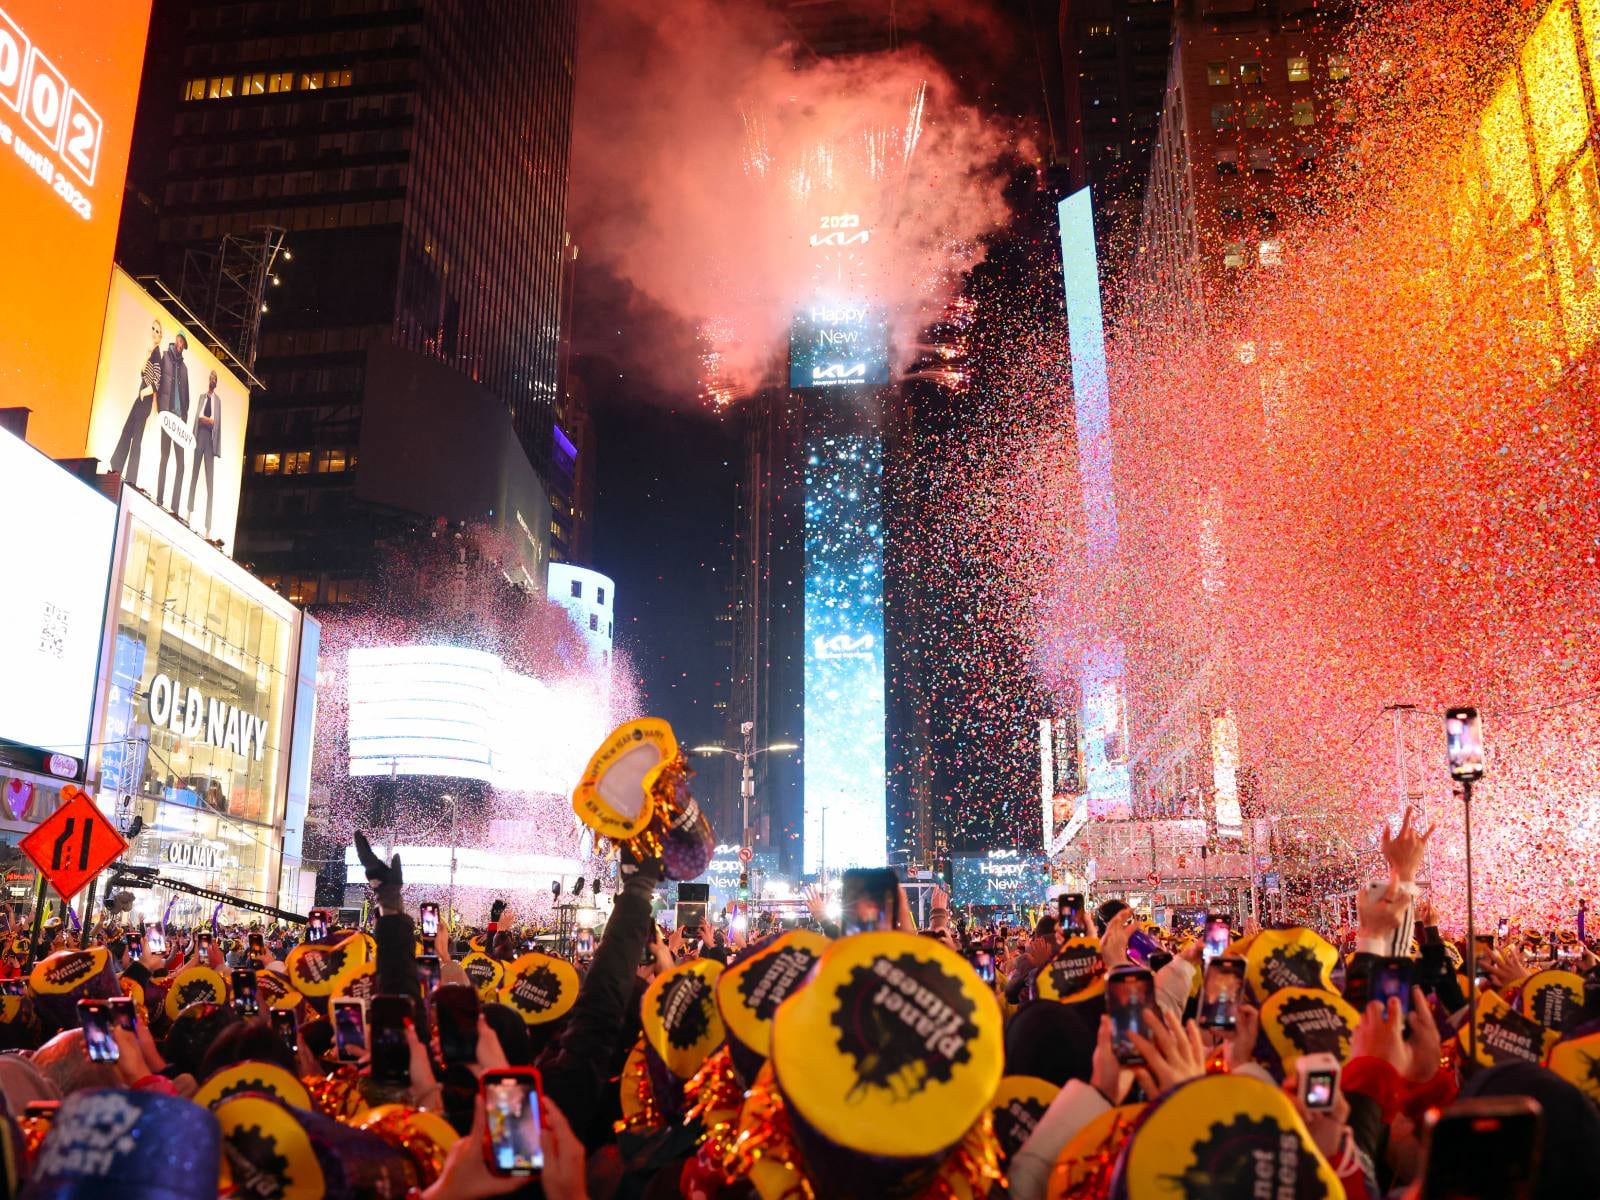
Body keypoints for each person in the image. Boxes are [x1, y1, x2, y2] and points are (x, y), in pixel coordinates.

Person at [108, 318, 163, 489]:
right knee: (127, 432)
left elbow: (156, 383)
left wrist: (143, 392)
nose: (154, 333)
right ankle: (116, 467)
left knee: (136, 439)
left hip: (144, 401)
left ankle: (130, 478)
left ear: (161, 336)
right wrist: (146, 356)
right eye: (153, 329)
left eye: (157, 331)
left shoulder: (157, 355)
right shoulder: (152, 353)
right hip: (140, 400)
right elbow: (142, 373)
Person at [155, 332, 191, 513]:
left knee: (181, 465)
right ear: (175, 340)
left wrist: (184, 416)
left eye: (183, 342)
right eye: (179, 340)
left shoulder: (184, 368)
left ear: (184, 346)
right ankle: (159, 499)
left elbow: (187, 396)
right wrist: (160, 409)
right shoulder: (165, 357)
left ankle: (174, 507)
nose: (180, 343)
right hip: (167, 417)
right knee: (164, 457)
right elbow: (158, 383)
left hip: (178, 421)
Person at [187, 370, 222, 535]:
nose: (212, 380)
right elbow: (198, 419)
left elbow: (216, 423)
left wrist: (207, 421)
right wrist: (207, 421)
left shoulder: (217, 401)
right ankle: (188, 511)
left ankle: (208, 526)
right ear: (208, 380)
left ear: (216, 382)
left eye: (215, 378)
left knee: (210, 482)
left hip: (210, 440)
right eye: (211, 377)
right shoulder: (202, 397)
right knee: (194, 475)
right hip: (200, 436)